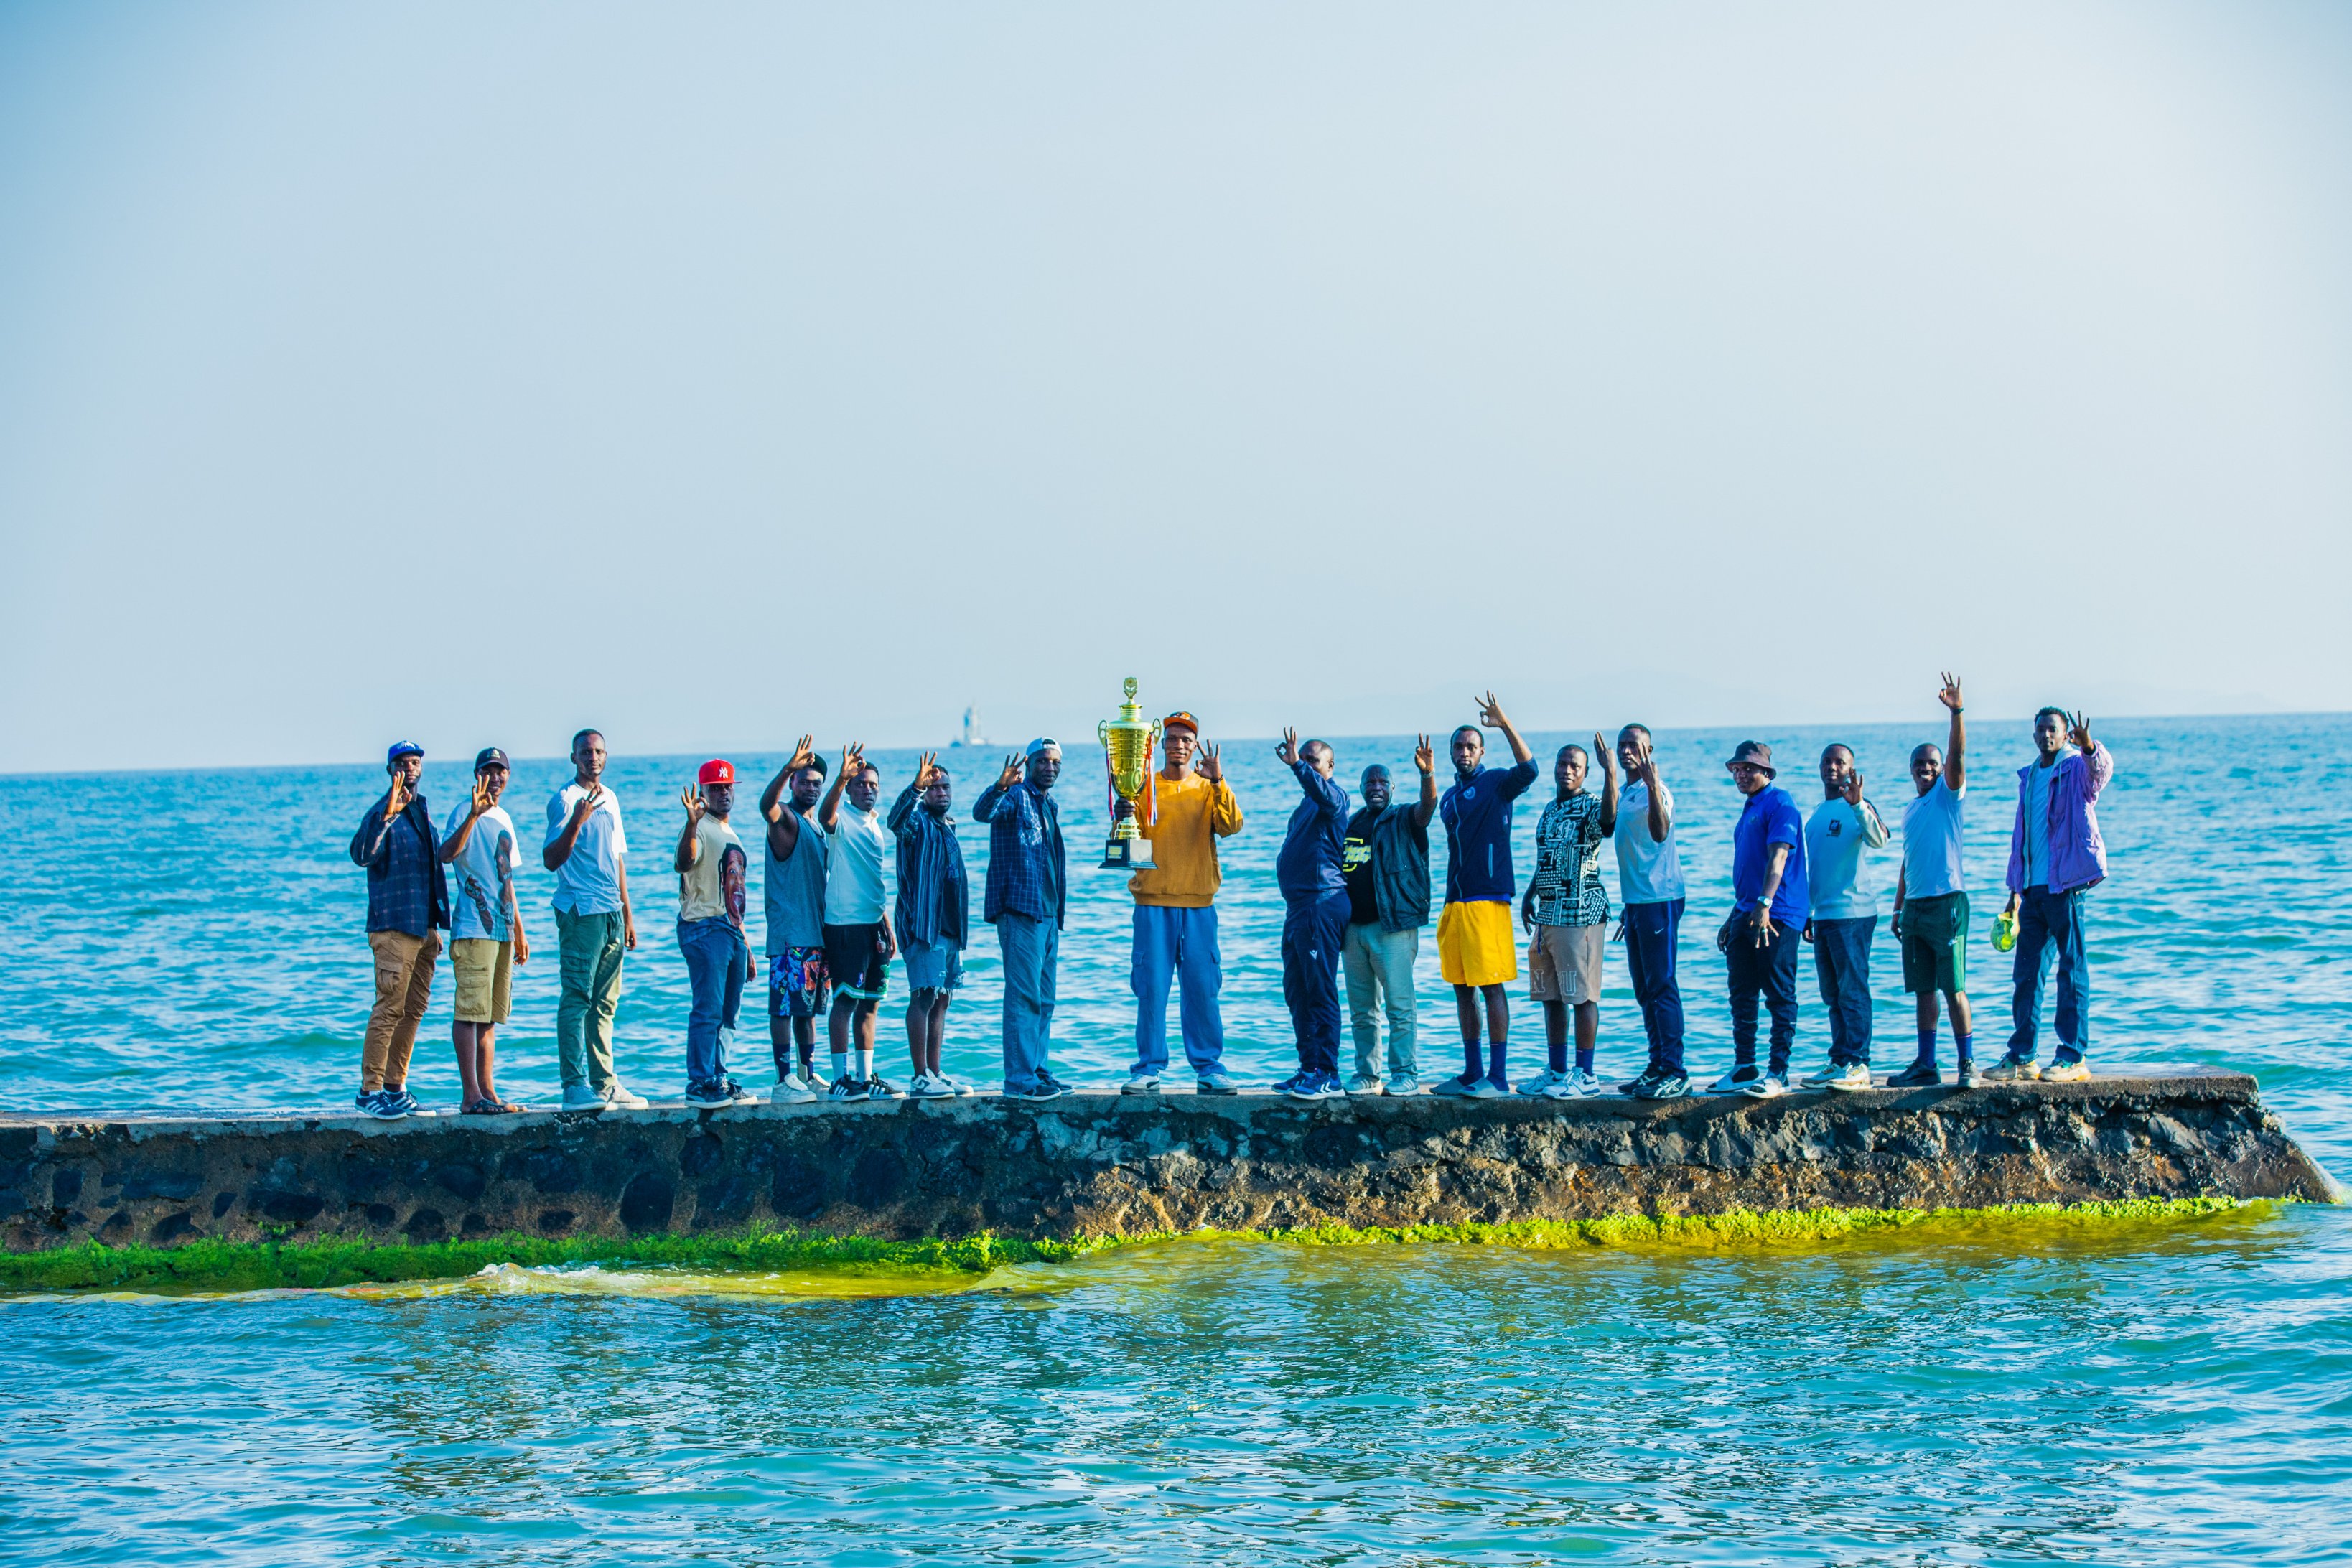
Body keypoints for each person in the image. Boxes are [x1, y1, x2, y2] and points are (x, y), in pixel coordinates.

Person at [1119, 712, 1245, 1096]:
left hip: (1199, 903)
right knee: (1151, 989)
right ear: (1161, 744)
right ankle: (1148, 1068)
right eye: (1172, 738)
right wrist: (1121, 816)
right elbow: (1128, 847)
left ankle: (1209, 1067)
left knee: (1204, 988)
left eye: (1186, 740)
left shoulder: (1208, 787)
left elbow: (1232, 826)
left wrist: (1219, 780)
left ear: (1195, 746)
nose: (1178, 745)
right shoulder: (1142, 787)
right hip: (1153, 902)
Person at [1987, 709, 2112, 1083]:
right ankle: (2022, 1056)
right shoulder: (2029, 777)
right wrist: (2014, 891)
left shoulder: (2074, 767)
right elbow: (2020, 839)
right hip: (2032, 890)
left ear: (2064, 735)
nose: (2046, 735)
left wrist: (2089, 746)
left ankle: (2073, 1056)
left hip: (2066, 885)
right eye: (2040, 729)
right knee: (2026, 974)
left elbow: (2099, 776)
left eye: (2053, 730)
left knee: (2071, 970)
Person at [1434, 692, 1539, 1098]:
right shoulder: (1449, 797)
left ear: (1482, 752)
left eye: (1471, 747)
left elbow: (1529, 769)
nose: (1464, 752)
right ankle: (1472, 1071)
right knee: (1462, 987)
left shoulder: (1496, 783)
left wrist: (1504, 722)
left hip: (1487, 899)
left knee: (1491, 986)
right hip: (1454, 902)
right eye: (1458, 747)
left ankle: (1497, 1076)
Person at [543, 729, 648, 1112]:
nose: (593, 758)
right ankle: (574, 1085)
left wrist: (628, 914)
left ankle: (605, 1082)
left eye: (599, 751)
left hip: (611, 913)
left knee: (605, 1004)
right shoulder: (565, 799)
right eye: (586, 752)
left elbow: (618, 859)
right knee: (576, 999)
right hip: (580, 912)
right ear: (573, 757)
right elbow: (551, 859)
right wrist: (576, 821)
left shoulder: (612, 798)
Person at [347, 741, 449, 1119]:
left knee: (415, 1008)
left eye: (415, 762)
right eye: (403, 763)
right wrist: (387, 815)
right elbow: (362, 855)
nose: (410, 768)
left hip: (422, 928)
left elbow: (429, 872)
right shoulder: (381, 811)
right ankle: (369, 1090)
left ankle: (395, 1086)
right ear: (391, 769)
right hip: (392, 927)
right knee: (389, 1006)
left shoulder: (422, 811)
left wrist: (434, 926)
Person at [1708, 741, 1810, 1099]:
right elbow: (1748, 869)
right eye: (1736, 769)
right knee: (1741, 991)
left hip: (1778, 913)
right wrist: (1734, 915)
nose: (1741, 774)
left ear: (1766, 772)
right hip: (1747, 910)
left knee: (1780, 993)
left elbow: (1778, 857)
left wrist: (1765, 903)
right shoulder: (1749, 808)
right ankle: (1744, 1066)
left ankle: (1778, 1072)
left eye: (1749, 768)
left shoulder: (1781, 803)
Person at [975, 739, 1075, 1101]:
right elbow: (982, 812)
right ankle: (1019, 1080)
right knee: (1023, 997)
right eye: (1043, 761)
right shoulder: (1016, 796)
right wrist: (1001, 784)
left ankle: (1037, 1070)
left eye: (1055, 762)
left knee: (1045, 999)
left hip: (1048, 914)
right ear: (1029, 763)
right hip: (1020, 911)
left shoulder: (1049, 805)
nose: (1050, 767)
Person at [1518, 736, 1616, 1099]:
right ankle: (1557, 1070)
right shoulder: (1549, 809)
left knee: (1583, 996)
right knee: (1552, 997)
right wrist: (1532, 892)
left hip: (1581, 914)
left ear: (1586, 773)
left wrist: (1611, 776)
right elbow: (1547, 856)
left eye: (1575, 766)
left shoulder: (1591, 805)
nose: (1567, 771)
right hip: (1549, 913)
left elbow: (1608, 822)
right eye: (1563, 764)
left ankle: (1586, 1074)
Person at [1890, 674, 1976, 1088]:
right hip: (1916, 908)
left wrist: (1957, 713)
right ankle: (1927, 1064)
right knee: (1923, 989)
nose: (1926, 769)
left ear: (1940, 770)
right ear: (1911, 770)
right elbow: (1908, 862)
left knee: (1953, 987)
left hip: (1948, 903)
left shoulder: (1948, 794)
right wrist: (1898, 907)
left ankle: (1967, 1064)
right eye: (1919, 764)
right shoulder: (1910, 810)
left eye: (1932, 764)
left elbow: (1958, 756)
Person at [1341, 739, 1437, 1096]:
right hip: (1353, 932)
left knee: (1400, 1006)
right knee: (1362, 1011)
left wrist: (1427, 773)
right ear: (1362, 789)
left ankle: (1405, 1075)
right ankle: (1368, 1075)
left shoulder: (1404, 818)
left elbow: (1428, 808)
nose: (1376, 787)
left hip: (1393, 928)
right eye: (1370, 783)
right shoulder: (1351, 823)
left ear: (1393, 788)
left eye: (1383, 782)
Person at [438, 747, 529, 1114]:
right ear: (477, 775)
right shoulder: (463, 811)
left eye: (501, 771)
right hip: (474, 927)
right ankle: (470, 1095)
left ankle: (488, 1092)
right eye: (488, 771)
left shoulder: (505, 818)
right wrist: (473, 816)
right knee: (469, 1011)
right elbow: (446, 854)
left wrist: (520, 930)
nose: (495, 778)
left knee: (490, 1016)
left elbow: (508, 880)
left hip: (502, 930)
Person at [1799, 745, 1890, 1093]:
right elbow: (1815, 867)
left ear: (1852, 769)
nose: (1833, 767)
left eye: (1841, 762)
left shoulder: (1858, 805)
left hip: (1854, 913)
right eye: (1828, 761)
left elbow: (1880, 839)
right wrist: (1807, 910)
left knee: (1853, 990)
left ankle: (1858, 1062)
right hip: (1823, 915)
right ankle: (1839, 1060)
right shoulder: (1817, 812)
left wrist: (1858, 804)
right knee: (1832, 993)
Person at [889, 752, 976, 1098]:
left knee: (943, 998)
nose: (941, 793)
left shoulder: (948, 826)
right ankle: (919, 1076)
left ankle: (936, 1071)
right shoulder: (916, 824)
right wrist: (915, 787)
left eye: (945, 787)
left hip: (951, 927)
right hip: (923, 926)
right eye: (934, 788)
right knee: (923, 996)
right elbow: (895, 820)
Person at [674, 760, 757, 1108]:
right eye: (716, 788)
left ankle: (718, 1076)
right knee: (708, 1009)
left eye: (728, 787)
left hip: (731, 930)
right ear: (704, 792)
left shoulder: (731, 833)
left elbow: (734, 895)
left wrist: (747, 945)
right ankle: (699, 1081)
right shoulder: (698, 827)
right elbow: (683, 863)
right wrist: (692, 825)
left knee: (729, 1013)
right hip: (704, 925)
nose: (723, 793)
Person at [1273, 729, 1351, 1100]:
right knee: (1297, 990)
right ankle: (1308, 1066)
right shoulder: (1305, 805)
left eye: (1312, 760)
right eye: (1301, 758)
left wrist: (1297, 769)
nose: (1304, 764)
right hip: (1298, 910)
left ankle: (1328, 1073)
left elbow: (1326, 795)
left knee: (1320, 990)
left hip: (1322, 903)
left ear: (1330, 767)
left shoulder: (1334, 796)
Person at [1614, 725, 1691, 1100]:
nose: (1627, 751)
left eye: (1635, 745)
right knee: (1644, 989)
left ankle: (1676, 1070)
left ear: (1649, 750)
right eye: (1623, 745)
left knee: (1661, 985)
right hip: (1637, 902)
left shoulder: (1656, 791)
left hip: (1661, 898)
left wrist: (1653, 783)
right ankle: (1657, 1065)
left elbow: (1660, 833)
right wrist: (1627, 911)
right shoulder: (1628, 792)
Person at [818, 744, 897, 1101]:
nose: (868, 789)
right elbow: (825, 816)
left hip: (872, 924)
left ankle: (865, 1079)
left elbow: (872, 879)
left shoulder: (876, 825)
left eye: (873, 785)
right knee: (845, 1001)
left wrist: (886, 922)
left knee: (871, 1003)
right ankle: (840, 1079)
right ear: (850, 788)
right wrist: (841, 777)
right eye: (861, 784)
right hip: (844, 924)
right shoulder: (842, 818)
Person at [757, 738, 829, 1104]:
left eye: (817, 782)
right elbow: (765, 805)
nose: (812, 787)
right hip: (790, 935)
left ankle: (807, 1073)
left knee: (809, 1009)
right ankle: (783, 1080)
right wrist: (788, 767)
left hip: (816, 935)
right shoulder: (785, 818)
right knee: (784, 1007)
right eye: (805, 781)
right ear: (793, 784)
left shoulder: (817, 828)